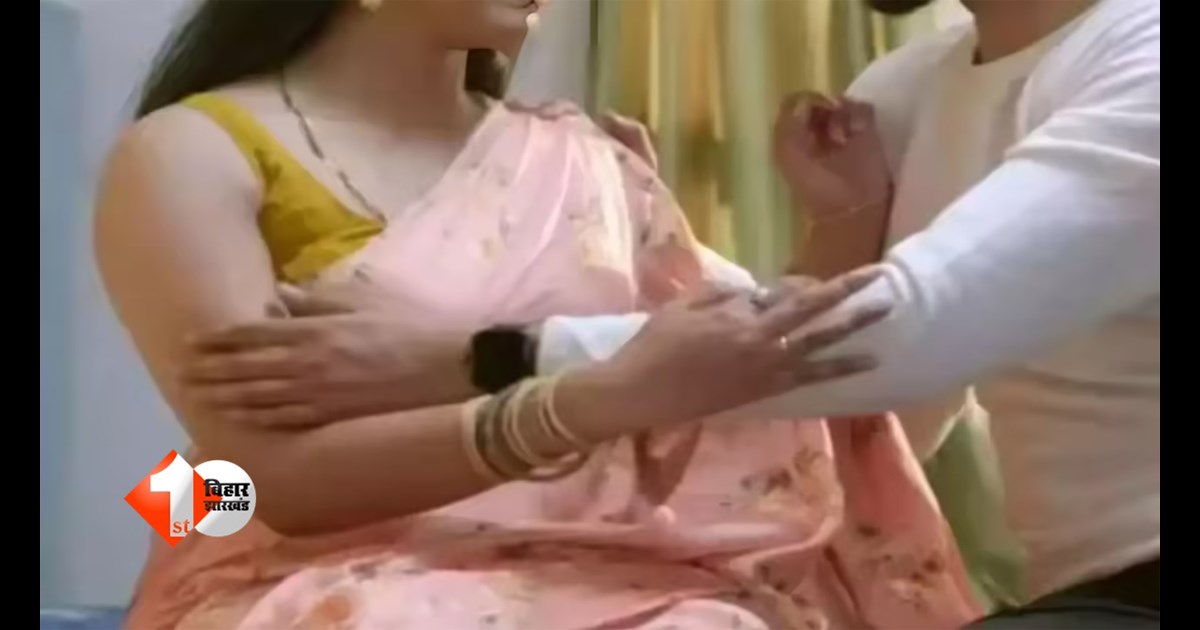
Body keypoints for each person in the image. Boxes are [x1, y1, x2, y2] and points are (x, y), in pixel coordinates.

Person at [188, 0, 1160, 626]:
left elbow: (888, 348)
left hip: (615, 563)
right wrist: (848, 223)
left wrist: (487, 368)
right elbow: (849, 423)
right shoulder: (198, 152)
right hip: (361, 566)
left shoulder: (581, 159)